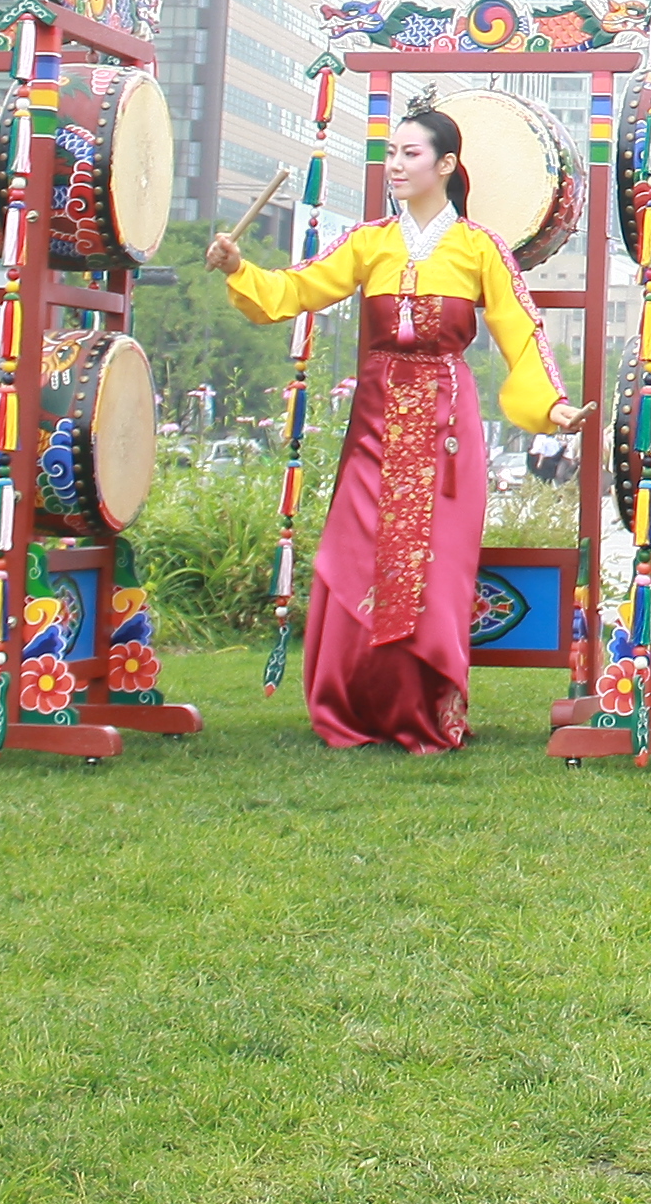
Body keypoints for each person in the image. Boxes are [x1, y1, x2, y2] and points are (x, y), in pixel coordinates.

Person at [209, 103, 570, 751]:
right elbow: (297, 291)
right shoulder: (369, 241)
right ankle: (350, 707)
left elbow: (523, 330)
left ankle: (426, 709)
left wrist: (550, 407)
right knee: (355, 555)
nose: (395, 166)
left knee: (435, 566)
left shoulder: (478, 247)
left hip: (444, 424)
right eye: (392, 154)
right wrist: (240, 269)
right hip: (375, 422)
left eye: (410, 154)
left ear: (448, 165)